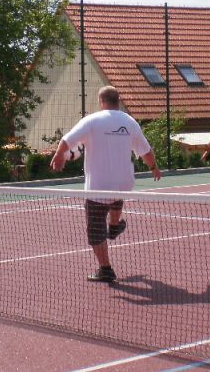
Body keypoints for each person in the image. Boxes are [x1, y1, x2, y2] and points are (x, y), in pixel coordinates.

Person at [50, 86, 162, 283]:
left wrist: (59, 156)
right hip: (123, 183)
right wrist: (154, 167)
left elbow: (67, 140)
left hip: (98, 186)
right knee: (116, 196)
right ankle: (114, 226)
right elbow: (146, 151)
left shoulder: (92, 120)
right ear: (118, 101)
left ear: (101, 101)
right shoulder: (130, 122)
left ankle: (106, 269)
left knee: (95, 230)